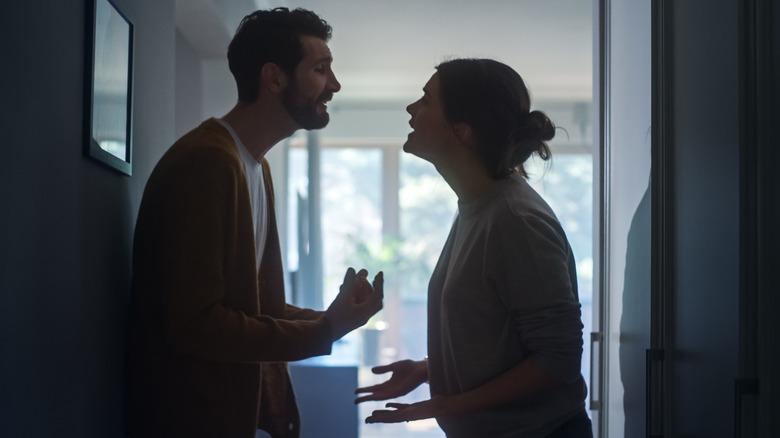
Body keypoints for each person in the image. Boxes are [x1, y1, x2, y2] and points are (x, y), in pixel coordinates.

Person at [125, 8, 383, 438]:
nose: (334, 85)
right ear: (274, 78)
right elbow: (198, 324)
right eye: (321, 70)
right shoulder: (207, 163)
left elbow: (253, 306)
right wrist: (326, 328)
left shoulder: (254, 167)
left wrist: (334, 319)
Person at [354, 58, 591, 437]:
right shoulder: (478, 206)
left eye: (426, 100)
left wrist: (445, 403)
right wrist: (432, 368)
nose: (411, 109)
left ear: (460, 132)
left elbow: (557, 359)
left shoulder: (516, 220)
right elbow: (499, 333)